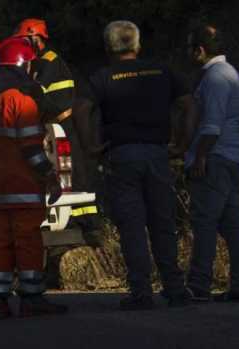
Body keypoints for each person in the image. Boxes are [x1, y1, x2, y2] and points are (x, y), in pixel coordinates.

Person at [79, 21, 195, 310]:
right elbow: (189, 105)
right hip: (157, 153)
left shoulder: (102, 77)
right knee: (163, 222)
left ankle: (141, 292)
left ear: (108, 48)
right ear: (138, 45)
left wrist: (91, 147)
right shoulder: (162, 71)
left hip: (122, 156)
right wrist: (182, 143)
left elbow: (81, 108)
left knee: (132, 226)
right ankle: (175, 288)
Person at [0, 37, 67, 319]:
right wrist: (49, 176)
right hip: (23, 187)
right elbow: (31, 149)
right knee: (27, 241)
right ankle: (32, 297)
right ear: (23, 67)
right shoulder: (20, 101)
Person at [12, 18, 102, 248]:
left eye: (25, 40)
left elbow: (37, 92)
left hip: (65, 123)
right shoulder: (41, 61)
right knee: (68, 174)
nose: (22, 45)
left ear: (37, 38)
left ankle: (90, 226)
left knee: (77, 174)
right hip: (57, 124)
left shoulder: (47, 61)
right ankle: (80, 221)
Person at [184, 24, 239, 302]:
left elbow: (211, 126)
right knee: (231, 224)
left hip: (216, 157)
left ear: (199, 50)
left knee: (204, 222)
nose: (188, 54)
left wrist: (199, 155)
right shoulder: (230, 74)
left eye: (190, 49)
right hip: (232, 157)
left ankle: (199, 285)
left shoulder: (214, 78)